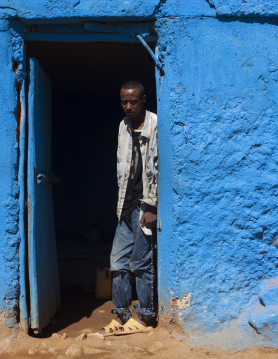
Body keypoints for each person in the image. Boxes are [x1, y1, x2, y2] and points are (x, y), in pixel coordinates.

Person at [100, 80, 158, 336]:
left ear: (143, 99)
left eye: (133, 101)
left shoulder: (156, 125)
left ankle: (145, 316)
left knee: (140, 263)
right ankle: (122, 315)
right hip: (125, 206)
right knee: (117, 262)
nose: (128, 106)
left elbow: (158, 170)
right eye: (124, 101)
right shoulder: (123, 126)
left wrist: (152, 206)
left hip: (144, 206)